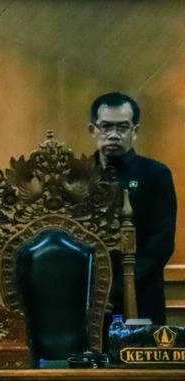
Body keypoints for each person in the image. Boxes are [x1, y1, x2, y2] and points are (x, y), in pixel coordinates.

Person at [89, 92, 176, 325]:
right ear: (93, 130)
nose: (114, 135)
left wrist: (119, 286)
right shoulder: (77, 177)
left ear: (135, 131)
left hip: (141, 293)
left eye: (123, 127)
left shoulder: (155, 175)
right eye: (106, 127)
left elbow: (161, 244)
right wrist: (95, 291)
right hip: (89, 299)